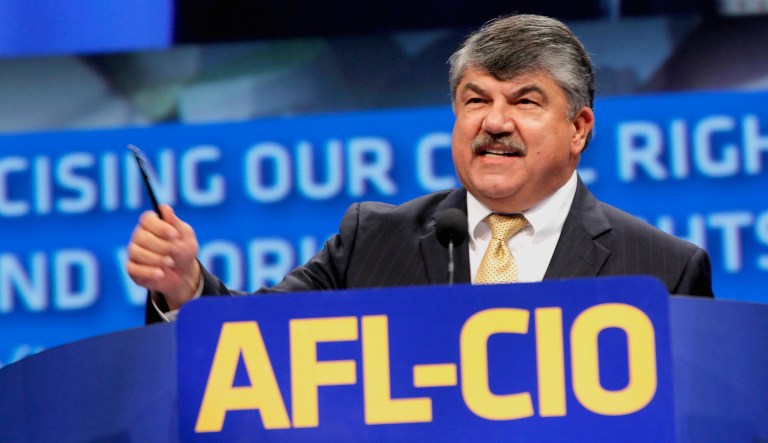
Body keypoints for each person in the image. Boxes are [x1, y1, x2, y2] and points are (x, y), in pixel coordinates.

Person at [127, 14, 714, 323]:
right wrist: (186, 288)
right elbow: (259, 341)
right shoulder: (374, 239)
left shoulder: (662, 268)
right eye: (476, 100)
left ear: (580, 128)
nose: (495, 122)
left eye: (525, 101)